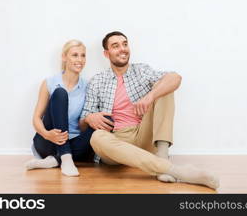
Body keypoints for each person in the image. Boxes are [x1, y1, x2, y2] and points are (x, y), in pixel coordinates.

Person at [80, 31, 219, 189]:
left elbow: (175, 78)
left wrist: (150, 96)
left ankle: (162, 155)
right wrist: (89, 118)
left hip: (143, 133)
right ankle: (174, 170)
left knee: (164, 87)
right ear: (106, 53)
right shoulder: (97, 81)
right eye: (115, 46)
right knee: (96, 137)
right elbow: (82, 122)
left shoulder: (141, 70)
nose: (122, 49)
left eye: (125, 44)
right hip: (117, 142)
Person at [25, 40, 94, 177]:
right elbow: (36, 118)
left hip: (74, 142)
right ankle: (66, 158)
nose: (80, 60)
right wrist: (46, 134)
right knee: (60, 93)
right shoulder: (49, 83)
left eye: (83, 55)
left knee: (103, 124)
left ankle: (55, 160)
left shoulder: (88, 86)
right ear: (64, 57)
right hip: (49, 141)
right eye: (75, 55)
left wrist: (90, 120)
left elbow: (84, 126)